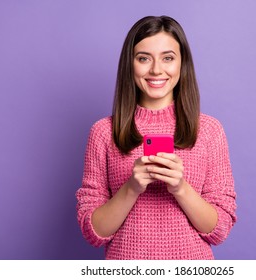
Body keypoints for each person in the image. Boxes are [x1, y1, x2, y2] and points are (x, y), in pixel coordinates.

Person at [76, 15, 237, 260]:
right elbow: (94, 232)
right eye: (143, 58)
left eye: (168, 58)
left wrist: (180, 188)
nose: (156, 70)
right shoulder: (103, 132)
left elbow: (219, 229)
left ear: (182, 64)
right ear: (130, 64)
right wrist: (132, 187)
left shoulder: (209, 130)